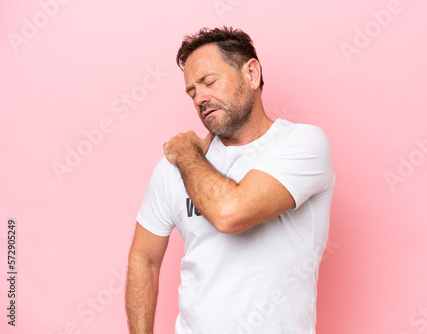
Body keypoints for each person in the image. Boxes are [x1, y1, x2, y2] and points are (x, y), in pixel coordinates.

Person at [126, 26, 335, 334]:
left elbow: (230, 214)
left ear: (251, 73)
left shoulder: (303, 144)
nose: (200, 98)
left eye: (209, 81)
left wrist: (186, 153)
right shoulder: (172, 168)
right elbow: (143, 259)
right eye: (192, 91)